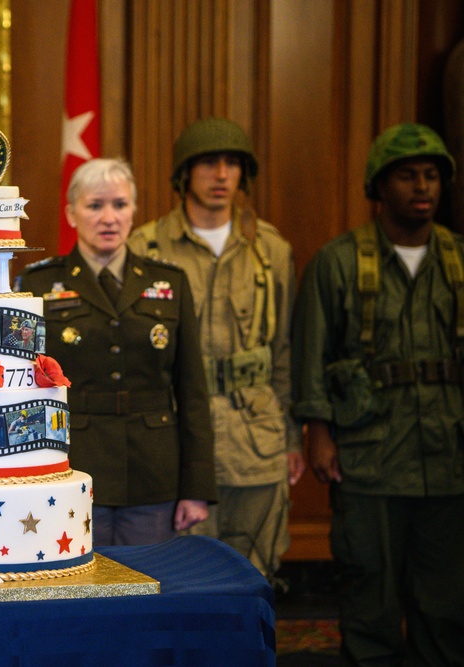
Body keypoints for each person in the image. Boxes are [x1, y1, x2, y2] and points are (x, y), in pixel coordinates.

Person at [292, 122, 464, 665]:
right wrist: (318, 432)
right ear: (379, 186)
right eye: (408, 176)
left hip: (448, 456)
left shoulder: (459, 261)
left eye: (432, 175)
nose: (423, 187)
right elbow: (311, 354)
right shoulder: (339, 262)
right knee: (370, 590)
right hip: (369, 458)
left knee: (447, 598)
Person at [128, 117, 304, 584]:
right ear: (185, 174)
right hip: (175, 438)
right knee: (182, 578)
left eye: (232, 164)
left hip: (256, 437)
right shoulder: (144, 249)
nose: (222, 175)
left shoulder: (269, 250)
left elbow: (283, 350)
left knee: (256, 575)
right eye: (208, 163)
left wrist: (289, 436)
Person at [17, 157, 216, 546]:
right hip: (71, 467)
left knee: (149, 595)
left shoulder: (169, 282)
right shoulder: (41, 283)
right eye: (95, 206)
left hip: (153, 472)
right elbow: (25, 389)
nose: (109, 217)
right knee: (80, 593)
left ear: (133, 211)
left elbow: (192, 390)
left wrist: (197, 485)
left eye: (120, 205)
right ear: (72, 214)